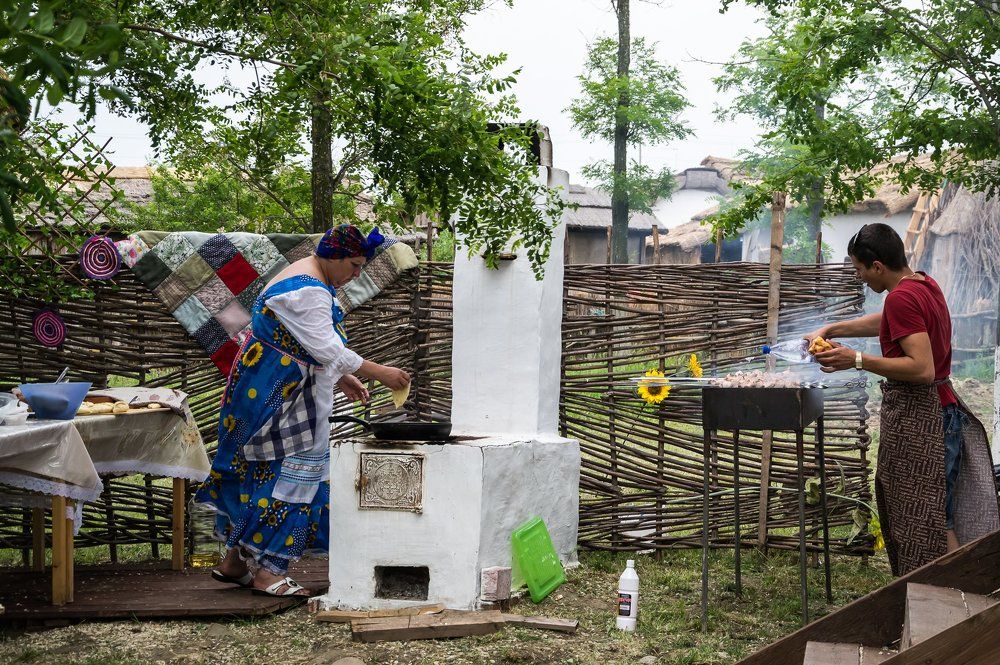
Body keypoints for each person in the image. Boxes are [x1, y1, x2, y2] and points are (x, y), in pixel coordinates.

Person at [193, 224, 411, 596]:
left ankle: (234, 563)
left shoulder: (298, 272)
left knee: (257, 474)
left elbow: (302, 341)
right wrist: (383, 374)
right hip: (284, 399)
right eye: (355, 265)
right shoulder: (308, 291)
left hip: (261, 389)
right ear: (333, 257)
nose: (357, 275)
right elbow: (327, 349)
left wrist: (341, 378)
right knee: (292, 478)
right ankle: (268, 572)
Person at [806, 223, 997, 576]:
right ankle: (958, 598)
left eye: (860, 269)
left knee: (931, 520)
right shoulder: (922, 284)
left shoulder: (901, 297)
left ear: (877, 266)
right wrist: (831, 329)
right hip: (942, 411)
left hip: (923, 419)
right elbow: (891, 322)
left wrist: (856, 360)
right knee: (937, 514)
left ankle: (959, 602)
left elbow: (922, 368)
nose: (859, 276)